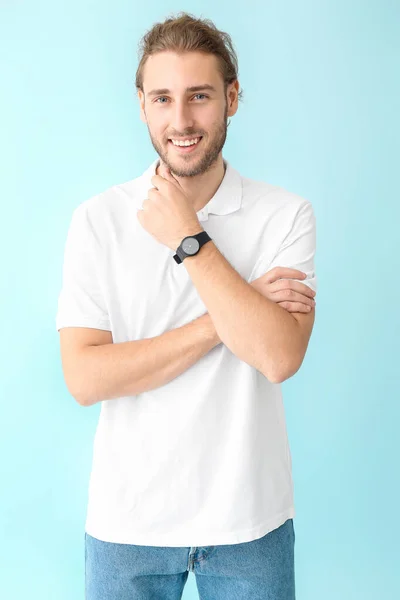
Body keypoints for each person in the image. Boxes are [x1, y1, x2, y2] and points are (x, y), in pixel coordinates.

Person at [56, 11, 317, 600]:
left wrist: (189, 240)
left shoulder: (285, 215)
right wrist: (235, 314)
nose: (181, 121)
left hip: (251, 522)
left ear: (232, 98)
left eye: (199, 97)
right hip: (129, 524)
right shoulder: (98, 220)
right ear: (141, 103)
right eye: (163, 98)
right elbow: (84, 376)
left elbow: (277, 356)